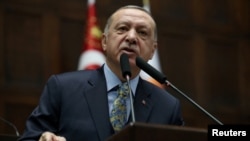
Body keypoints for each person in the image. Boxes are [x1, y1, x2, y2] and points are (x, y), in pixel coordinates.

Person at [18, 5, 184, 141]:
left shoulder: (168, 106)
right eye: (123, 28)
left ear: (152, 51)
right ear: (104, 41)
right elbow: (29, 138)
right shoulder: (63, 88)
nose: (132, 37)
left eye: (142, 33)